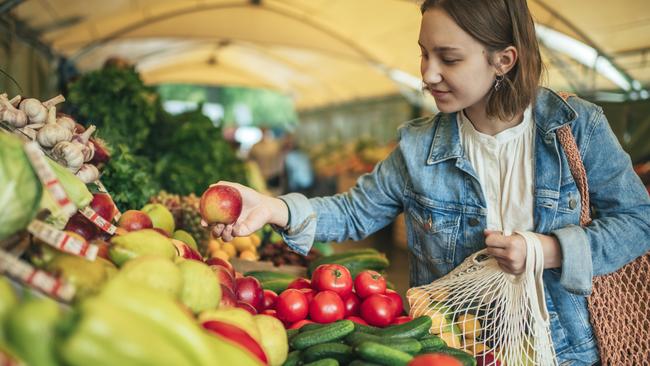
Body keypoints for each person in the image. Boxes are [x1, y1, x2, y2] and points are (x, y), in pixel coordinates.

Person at [206, 1, 650, 364]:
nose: (427, 74)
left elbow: (637, 220)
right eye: (424, 53)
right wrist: (272, 208)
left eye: (448, 58)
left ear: (503, 60)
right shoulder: (419, 147)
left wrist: (548, 250)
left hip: (567, 352)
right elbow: (353, 211)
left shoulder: (576, 128)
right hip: (453, 350)